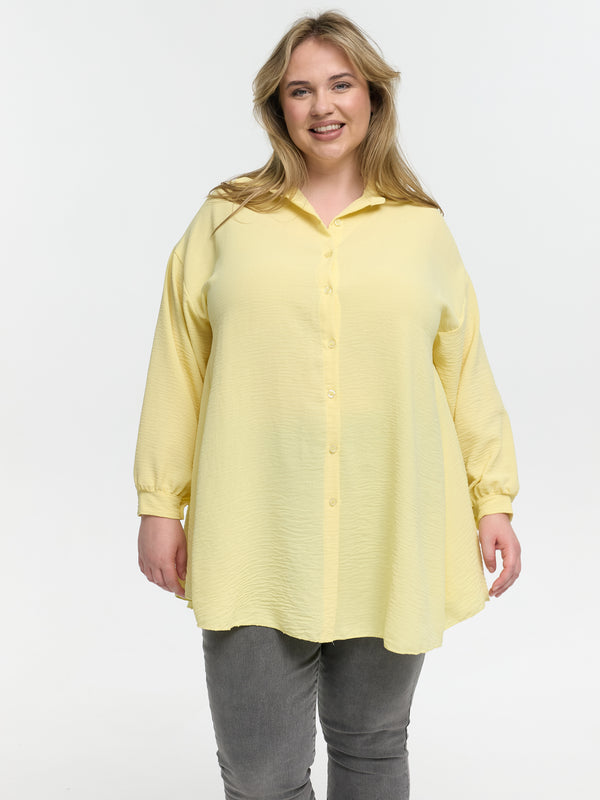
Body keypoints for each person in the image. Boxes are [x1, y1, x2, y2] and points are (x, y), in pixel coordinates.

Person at [133, 10, 521, 799]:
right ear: (278, 108)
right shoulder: (227, 218)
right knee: (260, 774)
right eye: (300, 90)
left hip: (392, 528)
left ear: (372, 96)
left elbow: (462, 371)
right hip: (255, 533)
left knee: (372, 746)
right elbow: (180, 365)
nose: (323, 106)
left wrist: (494, 499)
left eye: (341, 84)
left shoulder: (421, 229)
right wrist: (158, 503)